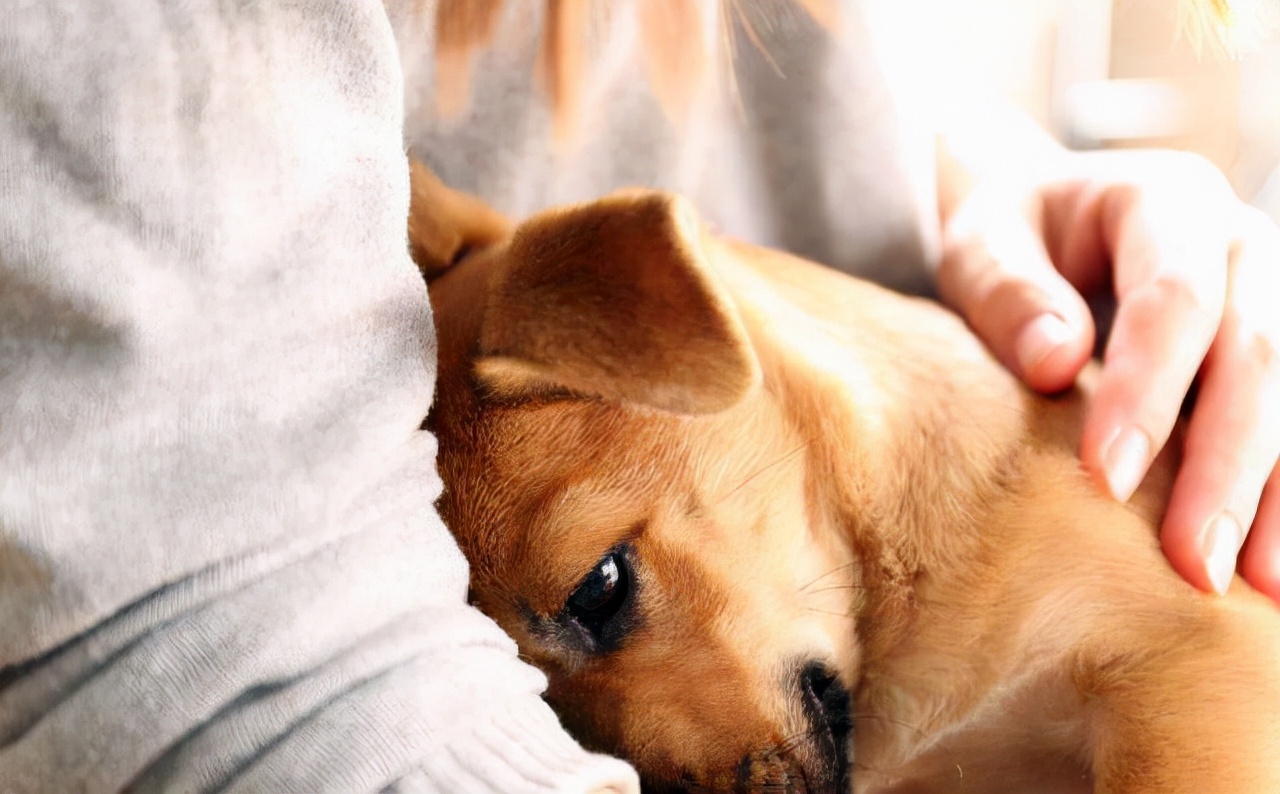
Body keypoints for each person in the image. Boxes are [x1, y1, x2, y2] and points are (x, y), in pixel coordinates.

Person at [0, 2, 1273, 794]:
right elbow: (195, 664)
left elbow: (1211, 676)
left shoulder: (1013, 554)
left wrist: (990, 180)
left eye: (603, 593)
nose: (613, 744)